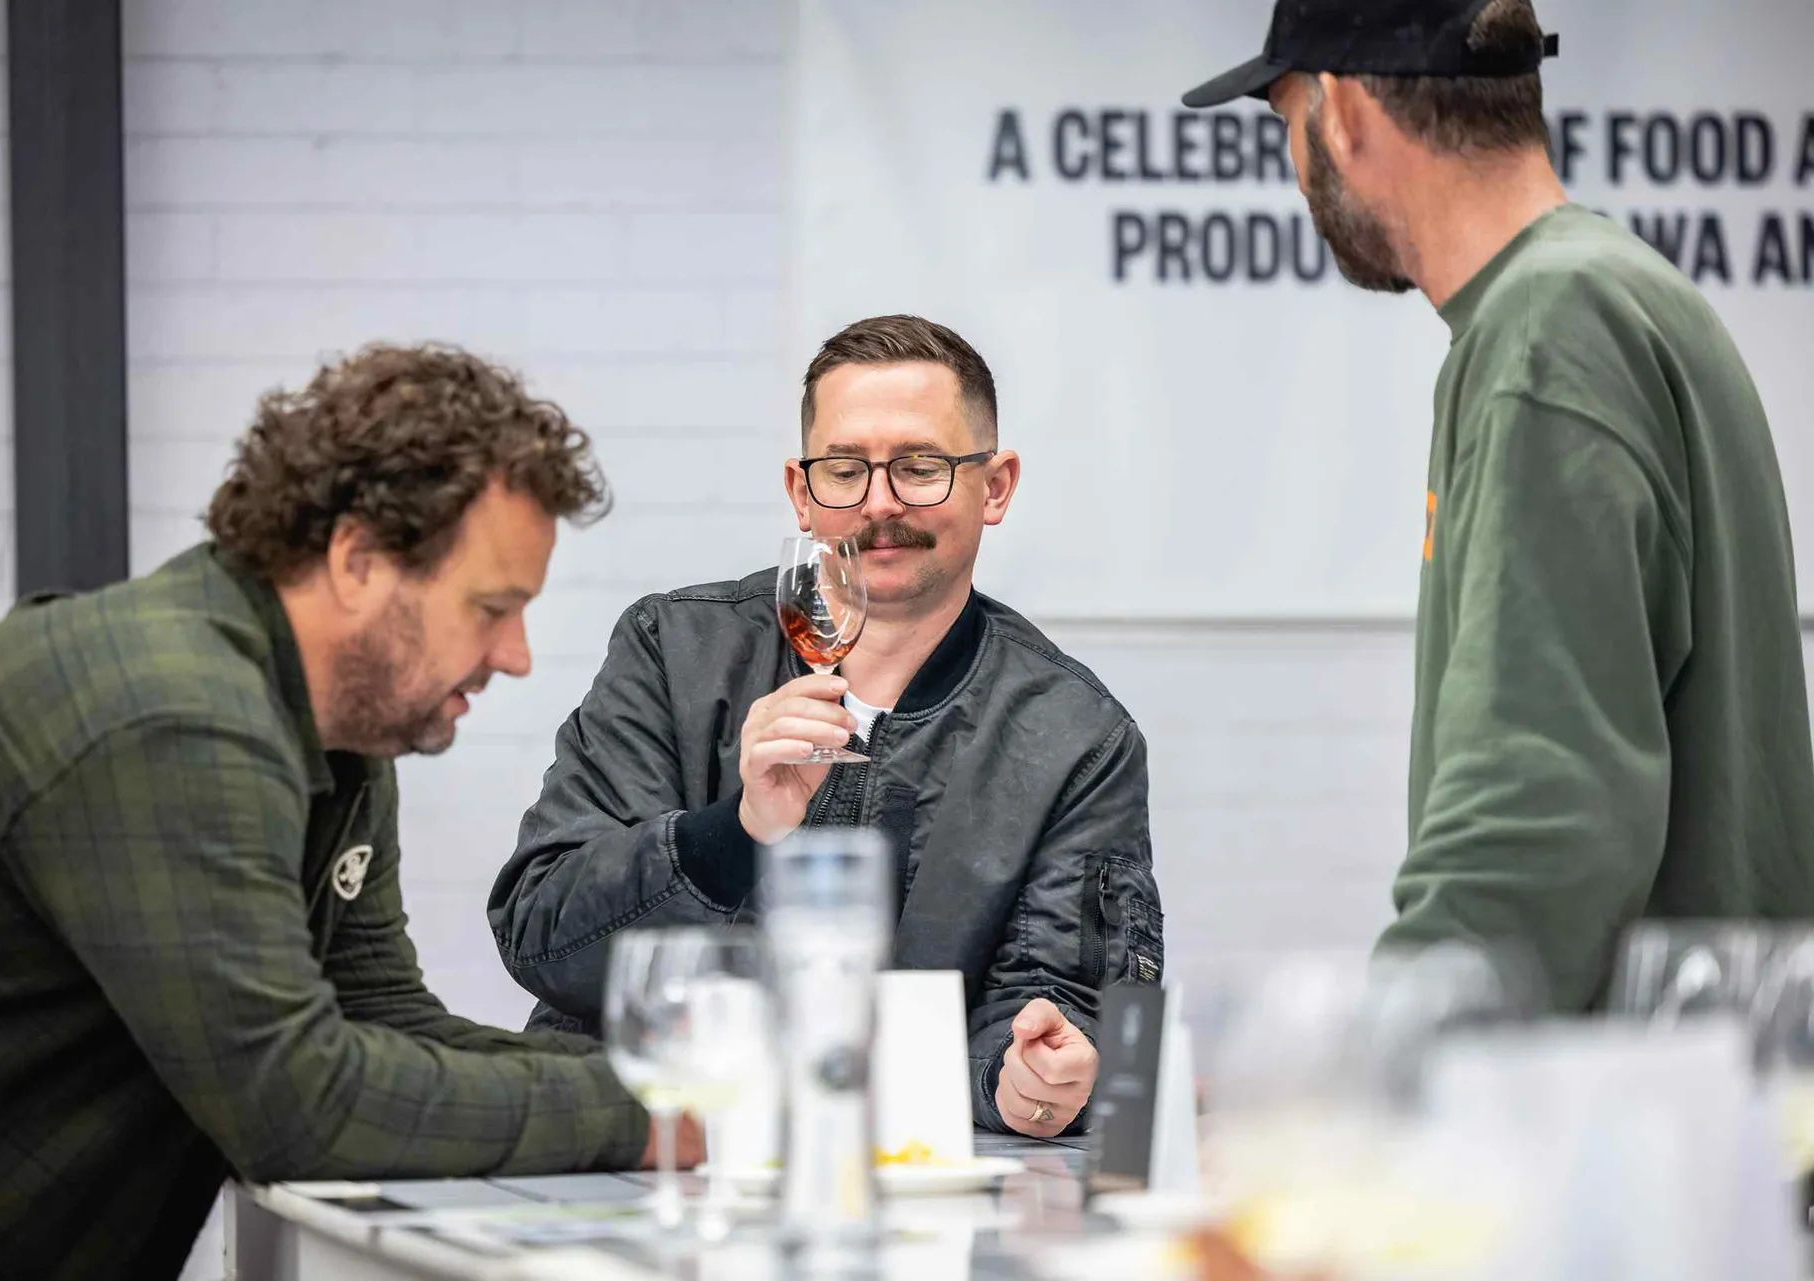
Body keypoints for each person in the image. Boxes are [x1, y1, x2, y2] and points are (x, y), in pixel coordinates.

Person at [0, 344, 686, 1281]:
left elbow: (380, 1016)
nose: (515, 655)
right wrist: (648, 1117)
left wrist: (659, 1093)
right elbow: (296, 1106)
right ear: (356, 560)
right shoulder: (171, 712)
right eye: (491, 607)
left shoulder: (336, 728)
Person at [1184, 0, 1814, 1011]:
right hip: (1706, 1093)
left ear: (1343, 113)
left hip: (1629, 1119)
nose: (1296, 168)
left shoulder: (1549, 325)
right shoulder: (1619, 295)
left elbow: (1540, 808)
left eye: (1286, 122)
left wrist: (1378, 1087)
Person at [490, 315, 1163, 1135]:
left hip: (892, 1188)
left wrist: (1026, 1080)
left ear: (996, 485)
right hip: (638, 1156)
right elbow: (541, 933)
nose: (880, 504)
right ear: (801, 493)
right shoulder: (674, 650)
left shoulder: (1075, 738)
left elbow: (1058, 1003)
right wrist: (731, 833)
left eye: (920, 466)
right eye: (845, 470)